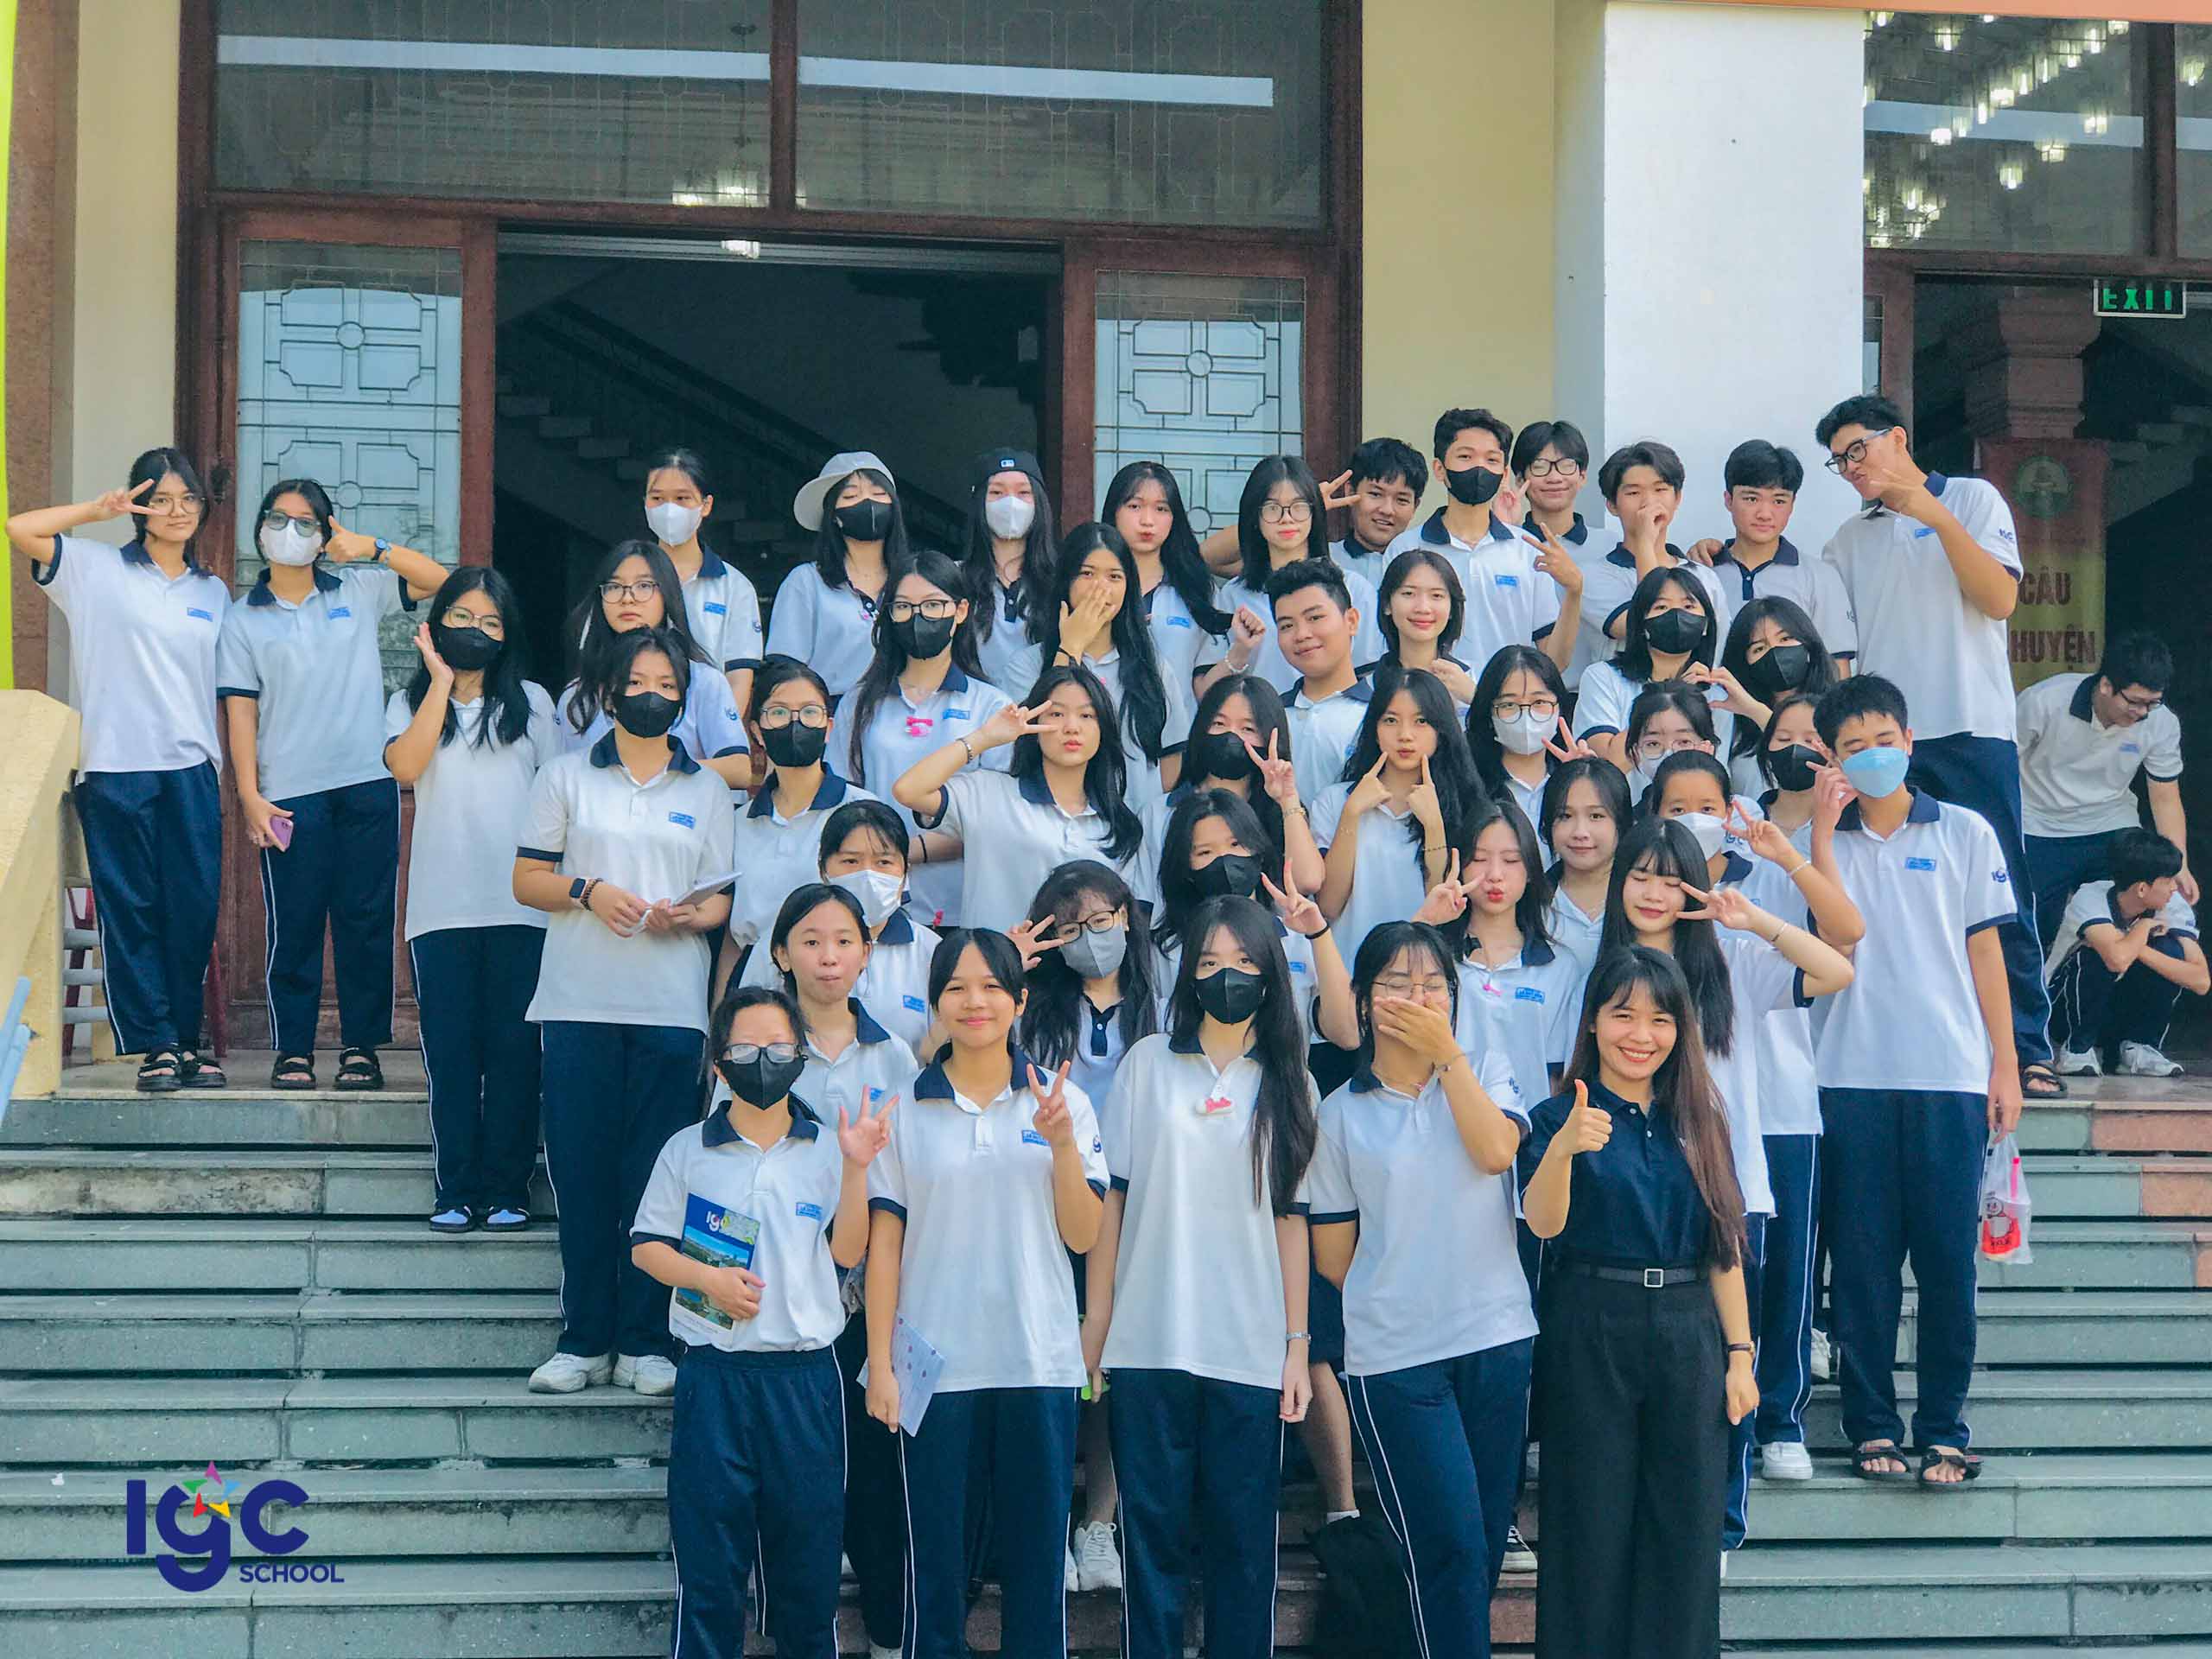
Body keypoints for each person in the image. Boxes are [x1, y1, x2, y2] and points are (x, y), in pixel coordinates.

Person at [1084, 894, 1319, 1659]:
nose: (1226, 976)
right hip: (1150, 1342)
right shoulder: (1148, 1064)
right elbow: (1113, 1202)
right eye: (1210, 962)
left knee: (1243, 1548)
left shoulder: (1290, 1080)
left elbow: (1292, 1220)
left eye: (1244, 962)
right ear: (1188, 974)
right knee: (1150, 1544)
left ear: (1271, 976)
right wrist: (1097, 1325)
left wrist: (1296, 1346)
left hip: (1248, 1348)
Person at [1636, 757, 1859, 1549]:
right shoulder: (1603, 969)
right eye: (1641, 877)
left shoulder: (1731, 961)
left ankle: (1721, 1526)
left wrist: (1755, 920)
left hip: (1731, 1191)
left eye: (1671, 879)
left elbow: (1836, 967)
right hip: (1633, 1194)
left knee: (1724, 1365)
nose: (1655, 893)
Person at [864, 930, 1106, 1659]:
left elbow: (1085, 1233)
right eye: (957, 988)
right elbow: (884, 1247)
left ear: (1020, 1000)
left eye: (993, 987)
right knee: (935, 1570)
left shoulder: (1064, 1102)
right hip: (935, 1370)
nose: (975, 1002)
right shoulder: (904, 1109)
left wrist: (1061, 1144)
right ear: (936, 1003)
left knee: (1036, 1568)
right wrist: (881, 1366)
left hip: (1038, 1361)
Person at [631, 983, 891, 1659]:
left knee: (808, 1567)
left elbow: (848, 1252)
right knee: (709, 1566)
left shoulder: (827, 1148)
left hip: (805, 1383)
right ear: (720, 1063)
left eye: (778, 1046)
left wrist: (857, 1170)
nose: (763, 1060)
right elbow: (647, 1247)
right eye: (745, 1048)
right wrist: (706, 1278)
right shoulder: (688, 1149)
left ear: (800, 1055)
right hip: (713, 1377)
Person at [513, 626, 736, 1397]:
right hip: (578, 1003)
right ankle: (582, 1340)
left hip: (672, 1009)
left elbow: (721, 900)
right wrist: (588, 891)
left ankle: (646, 1341)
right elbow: (526, 880)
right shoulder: (565, 775)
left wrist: (691, 916)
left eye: (667, 686)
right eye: (637, 683)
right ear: (608, 693)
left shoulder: (707, 790)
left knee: (656, 1177)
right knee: (582, 1176)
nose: (652, 696)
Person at [1811, 673, 2023, 1486]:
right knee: (1862, 1267)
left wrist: (2005, 1062)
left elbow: (1985, 952)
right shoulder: (1817, 842)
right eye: (1852, 747)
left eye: (1883, 740)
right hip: (1848, 1076)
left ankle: (1942, 1429)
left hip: (1950, 1077)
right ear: (1832, 759)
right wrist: (1820, 835)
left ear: (1909, 739)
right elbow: (1829, 940)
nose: (1872, 756)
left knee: (1945, 1269)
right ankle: (1871, 1425)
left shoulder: (1966, 831)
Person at [1518, 946, 1758, 1659]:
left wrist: (1740, 1355)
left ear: (1681, 1029)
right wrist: (1563, 1150)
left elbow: (1723, 1245)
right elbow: (1543, 1224)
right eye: (1624, 1015)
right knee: (1587, 1528)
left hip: (1689, 1329)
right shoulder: (1557, 1115)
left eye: (1660, 1019)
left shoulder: (1701, 1117)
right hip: (1591, 1321)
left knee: (1685, 1533)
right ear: (1593, 1021)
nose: (1641, 1035)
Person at [1815, 393, 2056, 1099]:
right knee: (1891, 892)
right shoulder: (1847, 541)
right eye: (1838, 462)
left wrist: (1935, 516)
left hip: (1974, 725)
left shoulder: (1974, 500)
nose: (1851, 468)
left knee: (2001, 889)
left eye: (1857, 451)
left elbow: (2000, 600)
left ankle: (2027, 1049)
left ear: (1897, 438)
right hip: (1886, 745)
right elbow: (1842, 657)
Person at [1309, 921, 1533, 1656]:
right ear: (1363, 1000)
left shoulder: (1485, 1067)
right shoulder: (1340, 1113)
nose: (1418, 997)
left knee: (1483, 1545)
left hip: (1497, 1336)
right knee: (1448, 1548)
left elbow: (1496, 1151)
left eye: (1435, 984)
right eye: (1398, 984)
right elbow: (1335, 1256)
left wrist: (1449, 1059)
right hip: (1398, 1357)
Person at [8, 450, 230, 1090]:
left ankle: (185, 1040)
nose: (177, 511)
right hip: (116, 766)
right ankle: (156, 1045)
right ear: (138, 505)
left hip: (191, 769)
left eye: (188, 498)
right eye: (161, 499)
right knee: (130, 908)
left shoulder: (213, 593)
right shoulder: (93, 568)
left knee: (192, 910)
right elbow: (20, 528)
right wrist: (95, 510)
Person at [217, 477, 447, 1090]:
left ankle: (361, 1048)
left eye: (305, 522)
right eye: (277, 518)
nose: (288, 532)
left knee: (364, 922)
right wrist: (249, 795)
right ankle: (293, 1049)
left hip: (366, 783)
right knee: (294, 924)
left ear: (324, 535)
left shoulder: (359, 588)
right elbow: (241, 712)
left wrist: (372, 547)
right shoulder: (242, 618)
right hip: (289, 794)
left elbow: (436, 582)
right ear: (260, 527)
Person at [757, 887, 920, 1659]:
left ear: (866, 952)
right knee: (794, 1485)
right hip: (776, 1305)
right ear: (781, 953)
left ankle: (889, 1637)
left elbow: (903, 1190)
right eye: (811, 941)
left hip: (867, 1305)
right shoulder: (755, 1050)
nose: (829, 957)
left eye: (845, 941)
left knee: (881, 1482)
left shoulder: (894, 1057)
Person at [384, 566, 561, 1232]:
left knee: (516, 1054)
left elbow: (556, 797)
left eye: (491, 622)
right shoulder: (408, 702)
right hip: (441, 907)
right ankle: (455, 1189)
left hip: (522, 907)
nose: (476, 632)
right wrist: (439, 682)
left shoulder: (532, 703)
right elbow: (406, 767)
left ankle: (509, 1188)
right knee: (452, 1056)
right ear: (437, 625)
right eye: (462, 618)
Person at [1015, 859, 1157, 1597]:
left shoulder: (1163, 997)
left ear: (1127, 916)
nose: (1091, 938)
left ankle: (1098, 1520)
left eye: (1101, 920)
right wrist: (1010, 967)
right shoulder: (1034, 1008)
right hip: (1050, 1203)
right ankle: (1044, 1525)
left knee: (1113, 1374)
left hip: (1140, 1204)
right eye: (1071, 929)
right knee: (1057, 1365)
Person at [1745, 692, 1859, 1478]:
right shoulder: (1721, 834)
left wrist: (1809, 839)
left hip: (1787, 1091)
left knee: (1789, 1266)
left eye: (1812, 739)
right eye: (1782, 737)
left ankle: (1781, 1418)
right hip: (1708, 1101)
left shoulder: (1823, 839)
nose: (1798, 751)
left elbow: (1842, 938)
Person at [893, 664, 1147, 932]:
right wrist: (984, 738)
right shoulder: (988, 793)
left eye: (1087, 715)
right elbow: (909, 790)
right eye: (1057, 714)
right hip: (995, 958)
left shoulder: (1119, 823)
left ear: (1103, 729)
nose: (1072, 727)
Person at [841, 547, 1014, 928]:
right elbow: (844, 797)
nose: (918, 617)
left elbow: (996, 820)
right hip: (873, 901)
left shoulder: (992, 706)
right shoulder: (858, 704)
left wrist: (908, 851)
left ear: (961, 611)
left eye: (933, 605)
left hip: (963, 905)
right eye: (903, 607)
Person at [2018, 632, 2193, 951]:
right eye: (2135, 702)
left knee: (2138, 921)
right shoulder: (2044, 701)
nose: (2142, 712)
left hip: (2111, 823)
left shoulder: (2161, 722)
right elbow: (2002, 766)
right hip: (2039, 824)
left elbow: (2165, 797)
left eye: (2152, 703)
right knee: (2031, 932)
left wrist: (2178, 864)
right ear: (2106, 685)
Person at [1313, 665, 1486, 974]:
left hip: (1424, 979)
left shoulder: (1466, 806)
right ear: (1374, 728)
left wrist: (1434, 827)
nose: (1405, 735)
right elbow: (1328, 906)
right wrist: (1351, 814)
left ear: (1442, 730)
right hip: (1348, 972)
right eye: (1391, 720)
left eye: (1421, 721)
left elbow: (1441, 906)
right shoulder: (1335, 801)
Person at [1004, 522, 1186, 810]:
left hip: (1135, 826)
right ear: (1066, 581)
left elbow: (1172, 759)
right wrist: (1070, 648)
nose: (1101, 587)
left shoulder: (1154, 668)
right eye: (1087, 574)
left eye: (1114, 576)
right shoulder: (1025, 665)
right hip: (1054, 822)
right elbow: (1033, 744)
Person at [740, 800, 942, 1057]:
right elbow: (746, 1034)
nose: (867, 875)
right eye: (850, 861)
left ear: (905, 873)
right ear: (823, 870)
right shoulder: (782, 942)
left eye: (883, 862)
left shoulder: (930, 951)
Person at [1390, 408, 1585, 676]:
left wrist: (1574, 591)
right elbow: (1390, 643)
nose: (1479, 468)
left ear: (1504, 474)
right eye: (1465, 457)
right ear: (1439, 469)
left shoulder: (1527, 549)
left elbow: (1553, 660)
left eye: (1491, 459)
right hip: (1430, 696)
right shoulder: (1405, 548)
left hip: (1507, 697)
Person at [557, 539, 751, 791]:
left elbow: (739, 770)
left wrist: (658, 771)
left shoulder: (702, 680)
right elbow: (561, 777)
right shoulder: (578, 694)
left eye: (644, 586)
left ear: (667, 593)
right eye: (614, 586)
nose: (627, 598)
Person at [728, 658, 875, 964]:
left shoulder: (863, 812)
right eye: (779, 713)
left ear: (828, 727)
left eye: (810, 712)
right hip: (754, 979)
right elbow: (735, 936)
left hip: (835, 975)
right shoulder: (737, 823)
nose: (795, 723)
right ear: (756, 731)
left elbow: (879, 917)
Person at [1136, 673, 1324, 910]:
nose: (1231, 736)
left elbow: (1308, 881)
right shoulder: (1159, 812)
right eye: (1219, 724)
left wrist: (1287, 800)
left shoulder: (1282, 811)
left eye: (1248, 728)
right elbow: (1146, 901)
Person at [1203, 456, 1386, 690]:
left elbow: (1371, 674)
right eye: (1272, 508)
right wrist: (1240, 650)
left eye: (1299, 506)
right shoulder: (1233, 595)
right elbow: (1208, 692)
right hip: (1259, 713)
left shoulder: (1353, 588)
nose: (1286, 519)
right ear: (1254, 517)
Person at [2047, 829, 2207, 1078]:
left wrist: (2134, 946)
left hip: (2118, 1011)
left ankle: (2137, 1048)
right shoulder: (2090, 897)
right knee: (2096, 954)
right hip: (2061, 1009)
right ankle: (2077, 1049)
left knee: (2170, 950)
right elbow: (2116, 961)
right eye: (2168, 880)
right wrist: (2143, 928)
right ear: (2142, 889)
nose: (2174, 888)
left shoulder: (2171, 904)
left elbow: (2201, 981)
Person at [1688, 440, 1859, 660]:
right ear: (1729, 500)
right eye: (1751, 499)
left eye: (1779, 501)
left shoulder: (1820, 578)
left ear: (1792, 503)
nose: (1765, 514)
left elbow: (1836, 666)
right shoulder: (1703, 572)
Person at [1579, 441, 1732, 674]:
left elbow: (1718, 648)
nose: (1649, 502)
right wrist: (1644, 542)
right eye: (1633, 493)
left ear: (1677, 498)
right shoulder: (1593, 576)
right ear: (1612, 505)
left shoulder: (1703, 576)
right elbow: (1653, 626)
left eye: (1660, 490)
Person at [772, 450, 907, 703]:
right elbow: (785, 668)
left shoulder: (912, 580)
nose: (868, 503)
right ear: (833, 515)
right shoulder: (806, 581)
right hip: (831, 713)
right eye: (851, 496)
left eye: (879, 494)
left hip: (905, 712)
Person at [1573, 566, 1736, 775]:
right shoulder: (1603, 677)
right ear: (1642, 625)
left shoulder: (1716, 695)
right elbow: (1609, 765)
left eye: (1688, 606)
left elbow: (1715, 775)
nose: (1676, 614)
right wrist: (1674, 694)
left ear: (1706, 625)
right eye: (1661, 607)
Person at [639, 446, 764, 715]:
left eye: (682, 498)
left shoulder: (734, 586)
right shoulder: (627, 578)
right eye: (657, 498)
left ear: (706, 505)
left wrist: (720, 731)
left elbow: (739, 677)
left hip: (707, 724)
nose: (669, 509)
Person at [1100, 461, 1232, 707]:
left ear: (1174, 518)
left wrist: (1241, 650)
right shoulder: (1091, 584)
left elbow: (1205, 687)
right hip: (1103, 726)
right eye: (1135, 506)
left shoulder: (1198, 589)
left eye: (1161, 509)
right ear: (1114, 511)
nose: (1147, 520)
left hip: (1180, 729)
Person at [1270, 561, 1377, 804]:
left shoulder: (1380, 715)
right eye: (1287, 625)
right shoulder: (1270, 716)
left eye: (1315, 617)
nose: (1302, 634)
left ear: (1351, 621)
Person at [1719, 596, 1844, 799]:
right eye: (1759, 648)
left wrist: (1758, 713)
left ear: (1808, 644)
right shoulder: (1734, 719)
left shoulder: (1840, 712)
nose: (1776, 652)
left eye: (1785, 639)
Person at [960, 447, 1058, 688]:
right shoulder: (954, 578)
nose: (1011, 503)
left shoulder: (1062, 580)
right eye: (997, 492)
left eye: (1023, 492)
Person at [1469, 644, 1580, 834]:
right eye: (1509, 705)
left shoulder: (1574, 777)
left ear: (1559, 707)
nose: (1526, 716)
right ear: (1489, 714)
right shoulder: (1467, 785)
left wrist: (1584, 778)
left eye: (1539, 702)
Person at [1541, 756, 1630, 971]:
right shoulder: (1529, 905)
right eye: (1565, 816)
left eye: (1596, 816)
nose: (1580, 832)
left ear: (1622, 823)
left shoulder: (1643, 899)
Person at [1367, 546, 1478, 710]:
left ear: (1452, 609)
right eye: (1409, 594)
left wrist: (1476, 700)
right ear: (1387, 604)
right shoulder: (1366, 689)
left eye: (1436, 596)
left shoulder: (1475, 680)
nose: (1423, 608)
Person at [1329, 436, 1428, 590]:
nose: (1387, 510)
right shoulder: (1323, 559)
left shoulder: (1427, 568)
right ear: (1350, 491)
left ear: (1415, 506)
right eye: (1376, 494)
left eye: (1402, 500)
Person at [1618, 681, 1728, 806]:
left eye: (1684, 742)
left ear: (1708, 746)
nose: (1669, 754)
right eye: (1653, 744)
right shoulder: (1632, 817)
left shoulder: (1740, 812)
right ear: (1635, 752)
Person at [1510, 418, 1594, 553]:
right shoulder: (1509, 546)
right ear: (1520, 480)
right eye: (1540, 467)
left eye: (1566, 465)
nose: (1554, 478)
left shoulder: (1609, 545)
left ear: (1582, 477)